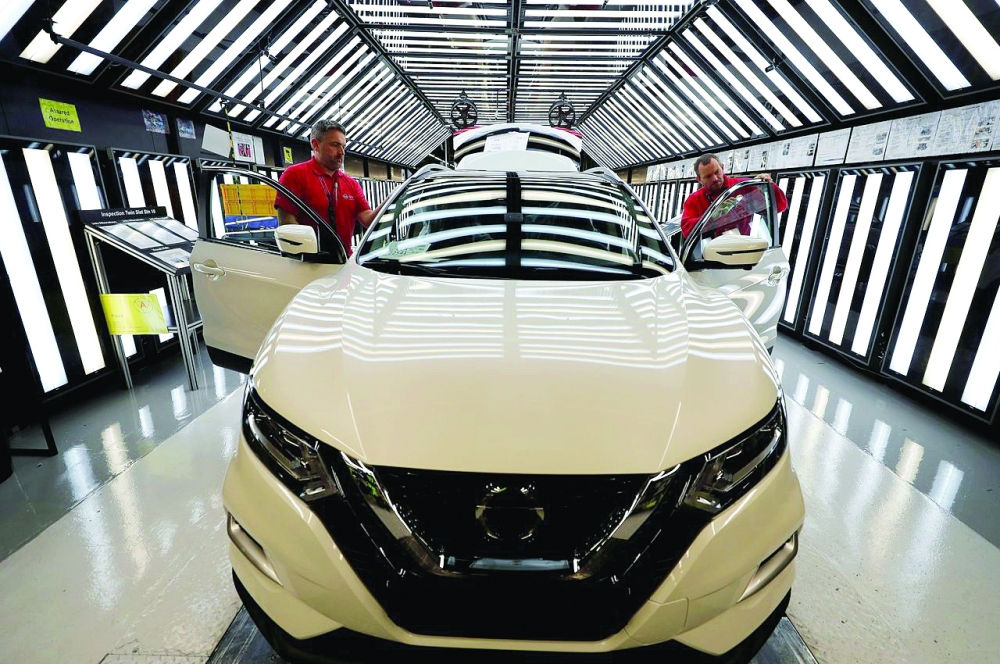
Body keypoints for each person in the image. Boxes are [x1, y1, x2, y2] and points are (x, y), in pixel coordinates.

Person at [274, 119, 382, 256]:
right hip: (308, 262)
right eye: (335, 145)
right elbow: (287, 224)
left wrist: (393, 198)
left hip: (343, 261)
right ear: (316, 145)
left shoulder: (351, 184)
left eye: (343, 146)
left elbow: (368, 220)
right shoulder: (295, 175)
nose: (342, 152)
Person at [680, 154, 787, 238]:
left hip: (746, 249)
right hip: (712, 254)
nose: (715, 178)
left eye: (717, 172)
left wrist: (767, 186)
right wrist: (711, 216)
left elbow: (780, 206)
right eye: (708, 176)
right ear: (699, 179)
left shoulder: (743, 186)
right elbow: (686, 231)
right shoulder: (694, 200)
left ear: (722, 168)